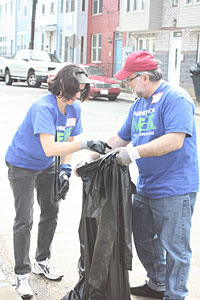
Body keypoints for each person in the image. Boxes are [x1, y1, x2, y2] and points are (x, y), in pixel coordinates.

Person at [81, 51, 199, 300]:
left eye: (129, 80)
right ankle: (157, 283)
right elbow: (120, 138)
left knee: (175, 248)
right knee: (143, 238)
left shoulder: (175, 98)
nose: (127, 84)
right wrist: (93, 156)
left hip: (175, 189)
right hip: (146, 186)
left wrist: (133, 154)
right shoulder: (139, 105)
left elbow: (175, 140)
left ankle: (175, 295)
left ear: (144, 77)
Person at [5, 64, 111, 299]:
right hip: (22, 165)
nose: (79, 94)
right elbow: (49, 146)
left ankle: (42, 260)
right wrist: (85, 144)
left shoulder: (75, 108)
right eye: (76, 89)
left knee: (51, 211)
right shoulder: (43, 108)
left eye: (83, 89)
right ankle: (22, 274)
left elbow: (69, 137)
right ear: (62, 85)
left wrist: (64, 167)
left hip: (48, 165)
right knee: (24, 219)